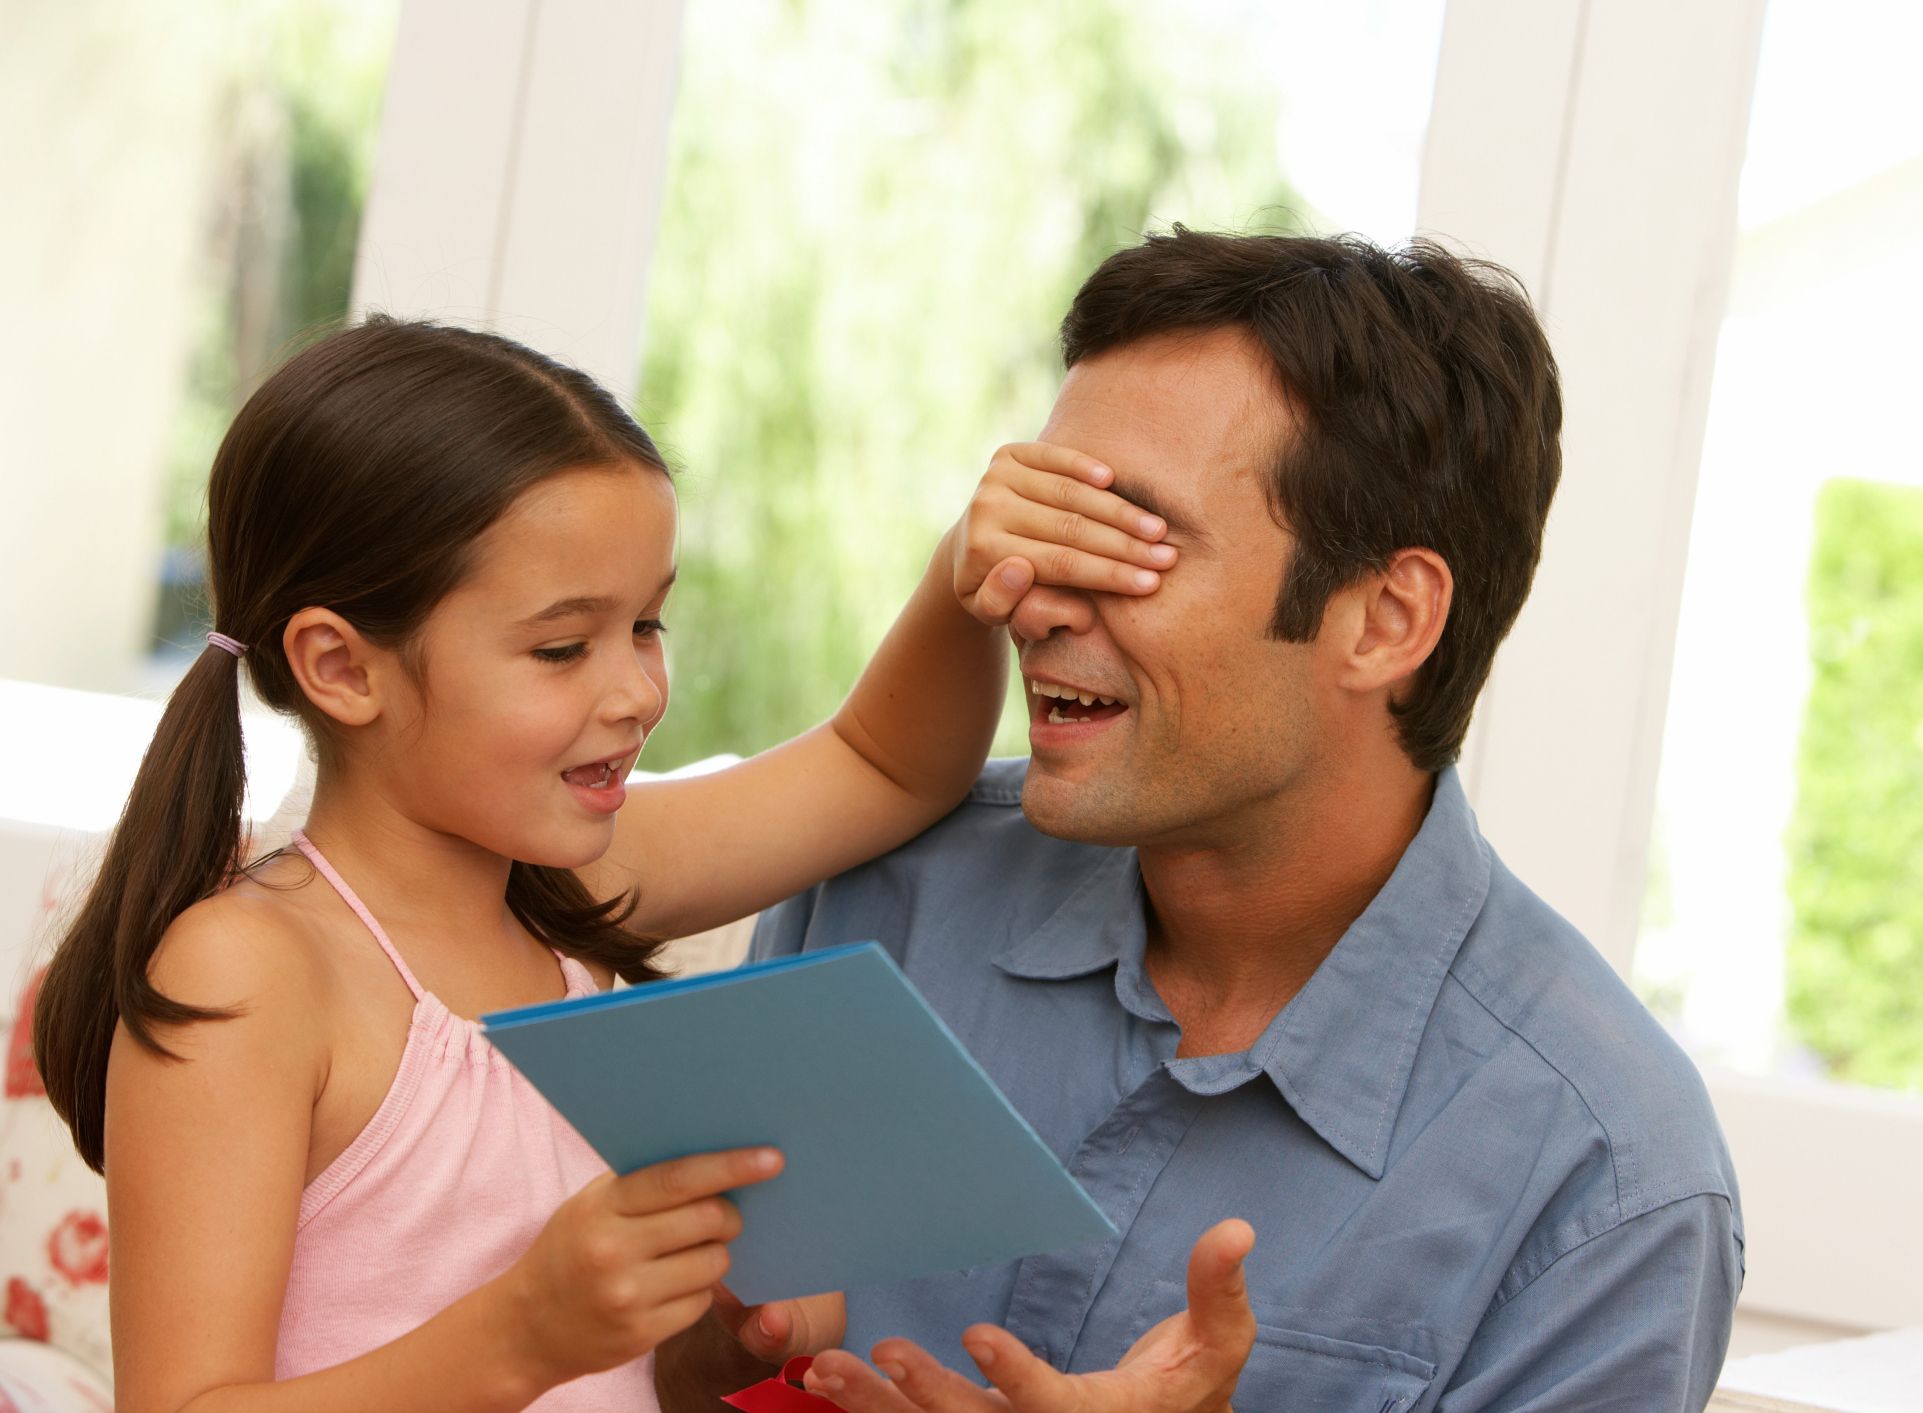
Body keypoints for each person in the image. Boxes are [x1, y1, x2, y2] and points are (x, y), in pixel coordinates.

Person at [641, 231, 1744, 1412]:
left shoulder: (1606, 1180)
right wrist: (713, 1345)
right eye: (1040, 520)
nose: (1027, 597)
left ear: (1382, 619)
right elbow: (678, 1379)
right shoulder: (882, 887)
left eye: (1127, 544)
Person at [30, 316, 1177, 1412]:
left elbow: (882, 768)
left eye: (647, 627)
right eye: (563, 646)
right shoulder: (256, 972)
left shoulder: (567, 892)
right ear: (340, 667)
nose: (636, 692)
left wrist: (962, 582)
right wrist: (524, 1329)